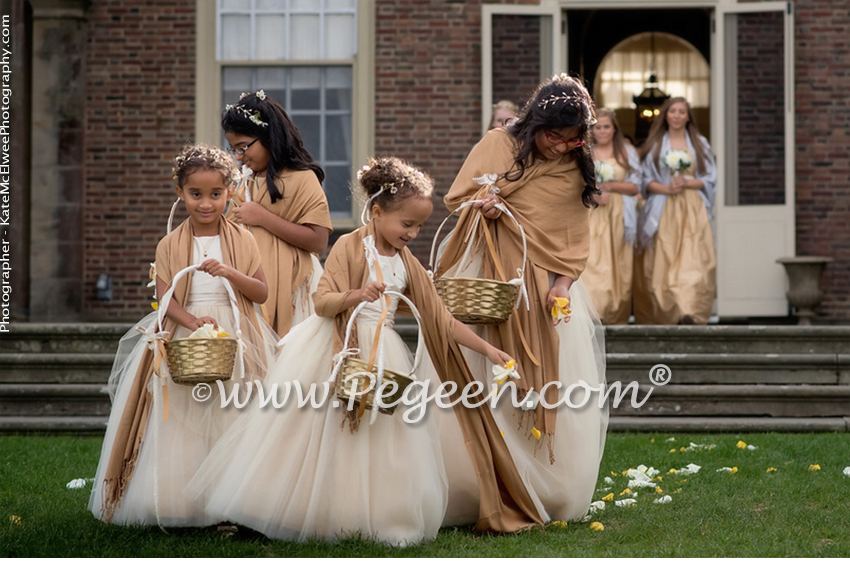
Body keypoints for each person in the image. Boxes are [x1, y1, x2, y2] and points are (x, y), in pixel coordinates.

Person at [189, 156, 544, 545]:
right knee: (312, 432)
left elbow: (441, 320)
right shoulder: (348, 246)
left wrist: (489, 351)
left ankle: (370, 515)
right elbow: (323, 301)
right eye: (407, 224)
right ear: (376, 212)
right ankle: (286, 509)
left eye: (420, 226)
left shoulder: (407, 263)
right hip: (334, 348)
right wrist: (357, 295)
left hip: (382, 351)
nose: (413, 233)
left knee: (377, 437)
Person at [433, 74, 608, 526]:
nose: (560, 147)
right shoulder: (499, 144)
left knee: (533, 384)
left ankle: (539, 482)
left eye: (573, 141)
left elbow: (572, 236)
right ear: (535, 122)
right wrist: (483, 205)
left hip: (541, 289)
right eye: (554, 136)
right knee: (479, 377)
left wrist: (563, 285)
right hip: (486, 278)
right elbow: (457, 198)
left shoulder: (574, 165)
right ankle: (471, 484)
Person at [89, 144, 278, 527]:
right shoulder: (170, 244)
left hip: (235, 332)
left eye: (215, 195)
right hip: (187, 331)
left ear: (229, 193)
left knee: (231, 414)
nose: (206, 204)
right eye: (196, 195)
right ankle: (182, 504)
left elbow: (260, 293)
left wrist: (228, 272)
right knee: (181, 421)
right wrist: (191, 322)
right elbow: (164, 297)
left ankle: (232, 505)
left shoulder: (242, 239)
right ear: (180, 193)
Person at [223, 90, 333, 337]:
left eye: (243, 148)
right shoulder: (242, 182)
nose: (239, 157)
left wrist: (263, 218)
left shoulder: (302, 178)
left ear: (269, 137)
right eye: (234, 150)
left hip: (294, 289)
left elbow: (318, 240)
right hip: (251, 285)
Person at [634, 96, 717, 325]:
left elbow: (710, 178)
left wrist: (688, 183)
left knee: (694, 259)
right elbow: (645, 181)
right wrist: (667, 188)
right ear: (666, 115)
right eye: (673, 111)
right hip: (664, 208)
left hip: (693, 209)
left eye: (682, 111)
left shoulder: (700, 144)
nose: (677, 116)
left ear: (688, 116)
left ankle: (689, 310)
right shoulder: (655, 145)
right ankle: (668, 311)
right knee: (665, 259)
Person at [583, 108, 641, 324]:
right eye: (598, 127)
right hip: (592, 214)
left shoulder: (626, 152)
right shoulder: (586, 152)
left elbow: (636, 187)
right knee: (593, 261)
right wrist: (593, 193)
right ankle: (594, 310)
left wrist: (611, 186)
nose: (602, 131)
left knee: (617, 263)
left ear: (615, 129)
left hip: (618, 214)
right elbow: (575, 184)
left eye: (607, 126)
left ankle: (614, 314)